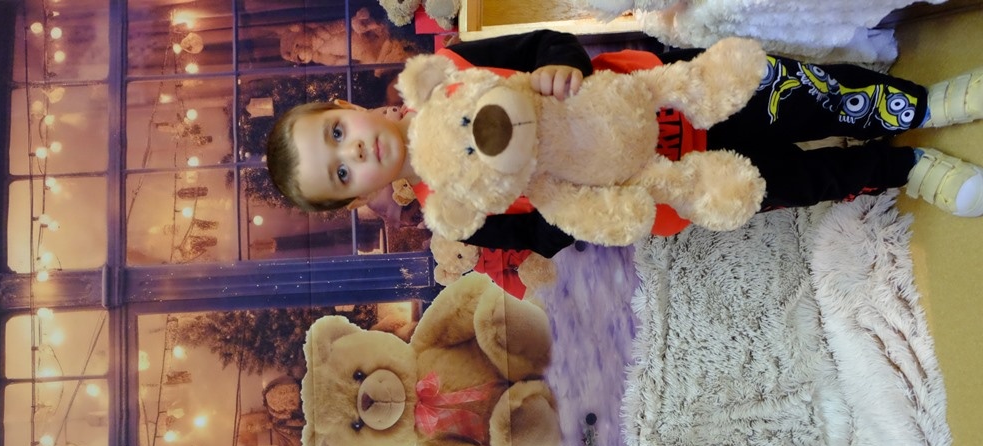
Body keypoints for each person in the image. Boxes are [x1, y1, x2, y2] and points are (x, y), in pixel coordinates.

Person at [266, 30, 983, 258]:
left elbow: (544, 43)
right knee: (791, 181)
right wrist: (559, 196)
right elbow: (542, 238)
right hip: (670, 181)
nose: (354, 153)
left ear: (345, 107)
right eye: (340, 173)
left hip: (659, 98)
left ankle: (922, 103)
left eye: (337, 135)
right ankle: (904, 166)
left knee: (796, 95)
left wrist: (560, 69)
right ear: (357, 199)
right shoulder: (456, 210)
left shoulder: (450, 66)